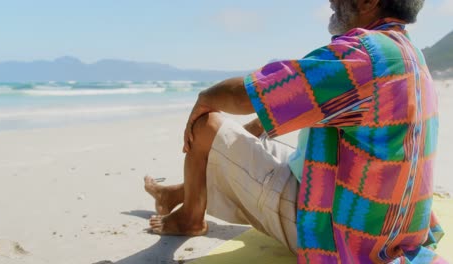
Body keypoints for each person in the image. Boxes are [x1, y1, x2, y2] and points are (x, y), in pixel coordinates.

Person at [144, 0, 447, 262]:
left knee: (207, 125)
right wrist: (252, 133)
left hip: (345, 239)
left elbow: (248, 95)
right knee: (254, 134)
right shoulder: (406, 54)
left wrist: (204, 98)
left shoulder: (362, 55)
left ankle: (190, 218)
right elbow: (297, 102)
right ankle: (177, 194)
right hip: (393, 228)